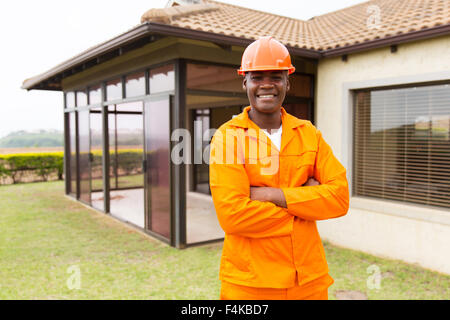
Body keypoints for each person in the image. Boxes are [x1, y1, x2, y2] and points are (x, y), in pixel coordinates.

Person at [209, 36, 350, 300]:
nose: (266, 85)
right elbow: (233, 216)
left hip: (308, 282)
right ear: (245, 82)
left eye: (275, 76)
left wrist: (272, 195)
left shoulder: (308, 134)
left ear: (287, 82)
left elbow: (340, 198)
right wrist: (305, 205)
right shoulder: (228, 137)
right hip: (251, 286)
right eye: (257, 77)